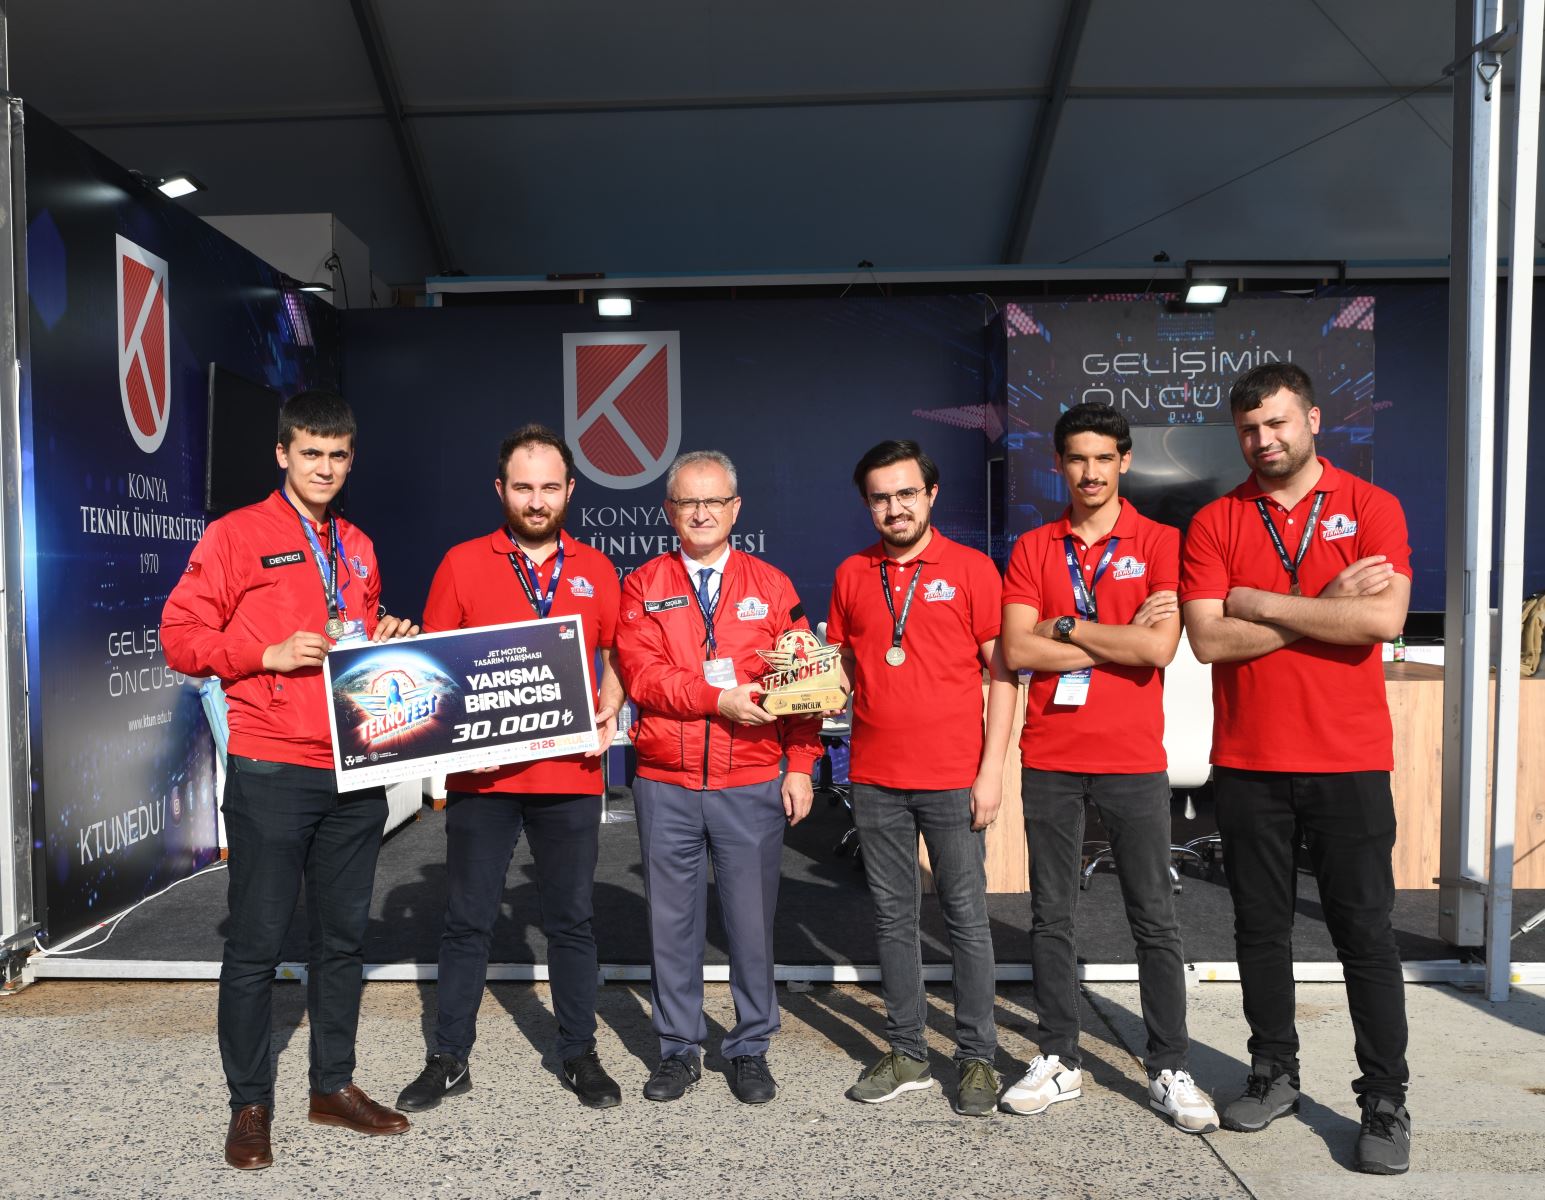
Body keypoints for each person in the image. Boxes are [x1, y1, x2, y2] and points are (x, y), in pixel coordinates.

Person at [162, 390, 419, 1170]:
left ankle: (331, 1086)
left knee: (341, 939)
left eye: (337, 455)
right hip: (271, 766)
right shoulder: (237, 535)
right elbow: (179, 635)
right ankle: (250, 1104)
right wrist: (262, 655)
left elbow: (354, 635)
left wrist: (385, 636)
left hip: (354, 769)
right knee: (255, 945)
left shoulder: (359, 544)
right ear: (283, 454)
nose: (325, 468)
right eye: (311, 453)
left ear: (351, 458)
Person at [1180, 362, 1412, 1175]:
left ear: (1312, 419)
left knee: (1364, 934)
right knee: (1258, 929)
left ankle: (1383, 1099)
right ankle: (1273, 1072)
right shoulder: (1214, 521)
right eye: (1248, 428)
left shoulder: (1370, 506)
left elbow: (1380, 619)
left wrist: (1258, 601)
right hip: (1248, 762)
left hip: (1348, 759)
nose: (1262, 439)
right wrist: (1326, 604)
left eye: (1276, 422)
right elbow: (1207, 638)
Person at [998, 402, 1218, 1132]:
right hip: (1051, 756)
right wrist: (1112, 637)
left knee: (1153, 917)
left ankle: (1169, 1066)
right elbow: (1018, 650)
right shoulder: (1033, 547)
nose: (1089, 472)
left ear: (1124, 461)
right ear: (1059, 464)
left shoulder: (1160, 541)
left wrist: (1065, 626)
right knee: (1050, 915)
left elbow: (1158, 649)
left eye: (1102, 458)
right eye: (1076, 459)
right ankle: (1058, 1055)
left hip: (1131, 759)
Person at [395, 425, 625, 1114]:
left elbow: (617, 654)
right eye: (523, 487)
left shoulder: (597, 568)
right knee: (467, 920)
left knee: (571, 921)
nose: (536, 500)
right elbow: (434, 670)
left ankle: (578, 1052)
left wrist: (610, 707)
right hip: (484, 780)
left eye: (549, 487)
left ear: (570, 490)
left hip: (570, 775)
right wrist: (457, 741)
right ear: (500, 489)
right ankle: (448, 1057)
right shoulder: (461, 563)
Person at [614, 450, 822, 1105]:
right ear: (668, 511)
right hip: (666, 782)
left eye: (713, 501)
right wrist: (716, 698)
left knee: (751, 926)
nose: (700, 513)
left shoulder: (773, 585)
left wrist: (801, 766)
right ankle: (677, 1050)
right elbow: (643, 676)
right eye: (687, 502)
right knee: (671, 925)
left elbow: (805, 683)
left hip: (751, 780)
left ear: (736, 509)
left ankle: (750, 1047)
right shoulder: (642, 584)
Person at [826, 440, 1017, 1117]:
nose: (894, 508)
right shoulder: (852, 573)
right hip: (875, 778)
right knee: (892, 918)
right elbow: (844, 668)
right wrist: (806, 682)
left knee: (966, 920)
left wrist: (991, 773)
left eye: (906, 493)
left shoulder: (971, 569)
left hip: (953, 777)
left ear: (931, 495)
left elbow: (1003, 676)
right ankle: (907, 1051)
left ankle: (976, 1057)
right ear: (866, 504)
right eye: (880, 497)